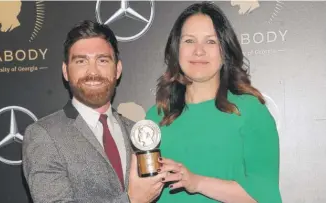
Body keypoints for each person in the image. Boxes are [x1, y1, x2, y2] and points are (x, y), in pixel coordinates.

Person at [146, 2, 282, 203]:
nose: (198, 51)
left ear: (224, 50)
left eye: (210, 42)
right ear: (176, 50)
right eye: (189, 41)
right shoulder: (155, 117)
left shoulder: (250, 111)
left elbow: (266, 197)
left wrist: (198, 183)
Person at [22, 20, 165, 203]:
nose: (93, 71)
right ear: (66, 71)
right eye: (81, 61)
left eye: (102, 60)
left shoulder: (136, 132)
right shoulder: (44, 135)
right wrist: (131, 200)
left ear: (118, 69)